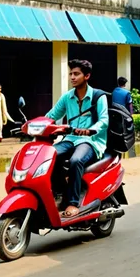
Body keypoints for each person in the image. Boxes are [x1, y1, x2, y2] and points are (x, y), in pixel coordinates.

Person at [46, 59, 109, 218]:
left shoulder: (98, 97)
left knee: (76, 161)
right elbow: (52, 115)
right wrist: (36, 124)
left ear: (86, 76)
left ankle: (73, 203)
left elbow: (104, 120)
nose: (72, 77)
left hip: (91, 141)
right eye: (71, 74)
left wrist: (90, 130)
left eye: (76, 74)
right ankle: (60, 193)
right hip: (70, 139)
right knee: (48, 156)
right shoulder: (67, 97)